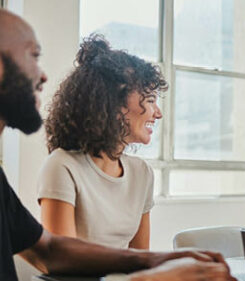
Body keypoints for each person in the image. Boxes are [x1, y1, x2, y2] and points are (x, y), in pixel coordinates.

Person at [0, 7, 233, 281]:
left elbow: (50, 251)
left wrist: (159, 259)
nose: (43, 75)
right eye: (33, 55)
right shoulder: (63, 165)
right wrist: (154, 277)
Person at [37, 35, 162, 250]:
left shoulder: (142, 173)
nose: (157, 114)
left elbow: (140, 258)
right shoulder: (62, 166)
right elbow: (64, 261)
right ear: (115, 103)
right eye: (150, 101)